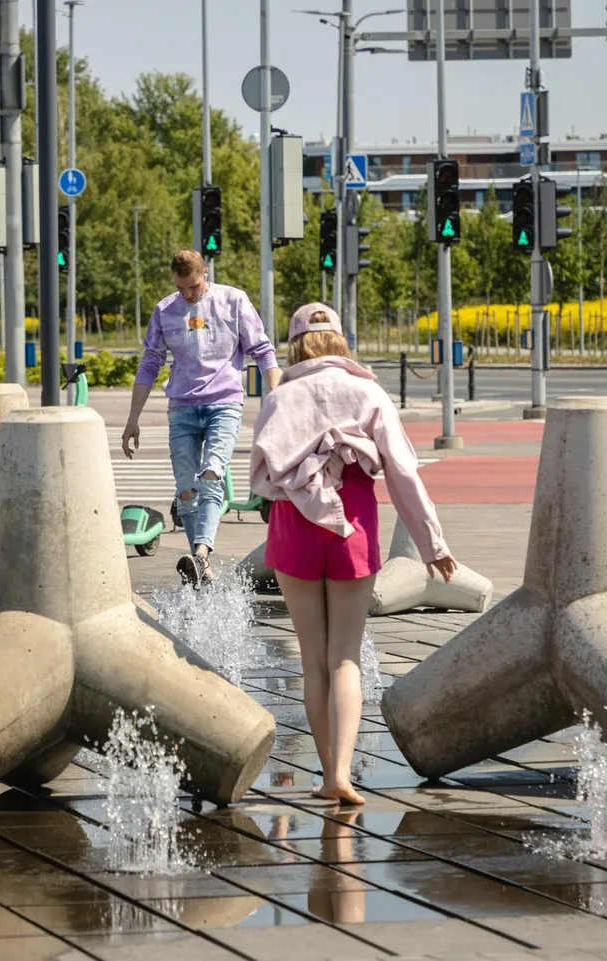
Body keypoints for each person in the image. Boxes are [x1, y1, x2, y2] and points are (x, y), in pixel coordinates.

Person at [250, 303, 457, 805]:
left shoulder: (281, 397)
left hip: (295, 529)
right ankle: (343, 773)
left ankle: (326, 776)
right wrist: (432, 544)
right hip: (353, 527)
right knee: (346, 658)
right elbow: (404, 473)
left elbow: (261, 475)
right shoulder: (369, 392)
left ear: (296, 344)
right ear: (341, 340)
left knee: (312, 660)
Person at [122, 249, 281, 586]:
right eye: (180, 289)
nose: (187, 295)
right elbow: (150, 363)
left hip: (224, 403)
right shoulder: (165, 310)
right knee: (186, 491)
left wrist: (279, 400)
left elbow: (263, 352)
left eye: (192, 287)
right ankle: (201, 570)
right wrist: (132, 418)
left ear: (205, 273)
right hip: (181, 407)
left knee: (211, 475)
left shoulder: (234, 301)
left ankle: (201, 554)